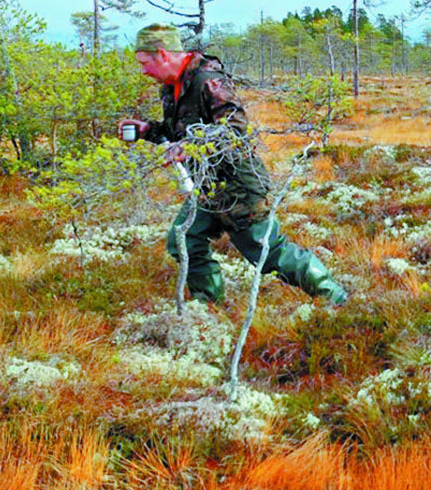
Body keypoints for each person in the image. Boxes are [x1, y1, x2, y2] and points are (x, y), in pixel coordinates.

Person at [120, 23, 348, 306]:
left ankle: (336, 299)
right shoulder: (171, 88)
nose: (143, 71)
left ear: (163, 54)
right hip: (207, 187)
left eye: (145, 62)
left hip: (238, 185)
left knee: (267, 253)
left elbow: (235, 131)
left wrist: (192, 146)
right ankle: (209, 307)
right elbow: (178, 132)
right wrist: (147, 131)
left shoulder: (208, 81)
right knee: (185, 241)